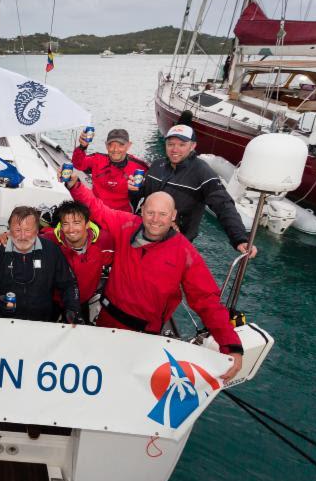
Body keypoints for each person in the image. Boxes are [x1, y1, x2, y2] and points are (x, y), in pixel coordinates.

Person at [66, 171, 243, 382]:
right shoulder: (125, 225)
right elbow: (98, 210)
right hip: (107, 322)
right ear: (142, 212)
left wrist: (231, 345)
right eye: (150, 213)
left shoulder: (185, 252)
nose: (155, 220)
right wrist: (75, 185)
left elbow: (206, 300)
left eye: (162, 214)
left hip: (144, 338)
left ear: (173, 216)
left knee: (126, 383)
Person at [129, 124, 257, 256]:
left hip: (177, 241)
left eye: (182, 144)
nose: (175, 149)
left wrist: (239, 238)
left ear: (193, 146)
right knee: (132, 266)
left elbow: (223, 205)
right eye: (171, 144)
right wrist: (133, 191)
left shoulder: (203, 173)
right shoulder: (157, 165)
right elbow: (142, 196)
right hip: (146, 232)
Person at [0, 201, 114, 323]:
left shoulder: (104, 242)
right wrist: (7, 234)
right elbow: (27, 236)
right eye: (65, 224)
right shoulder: (50, 239)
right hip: (51, 300)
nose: (71, 229)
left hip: (80, 302)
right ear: (61, 226)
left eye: (76, 223)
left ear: (87, 224)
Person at [0, 206, 81, 324]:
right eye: (17, 230)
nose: (22, 236)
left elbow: (69, 284)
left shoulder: (51, 250)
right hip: (5, 322)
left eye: (27, 230)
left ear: (37, 231)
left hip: (42, 324)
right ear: (9, 230)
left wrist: (72, 309)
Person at [71, 128, 148, 212]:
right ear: (106, 145)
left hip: (123, 216)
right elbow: (77, 164)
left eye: (120, 145)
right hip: (96, 210)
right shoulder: (97, 159)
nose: (115, 149)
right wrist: (82, 146)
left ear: (129, 145)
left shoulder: (140, 167)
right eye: (111, 145)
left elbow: (152, 189)